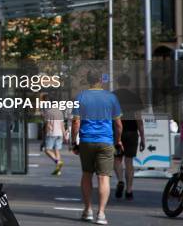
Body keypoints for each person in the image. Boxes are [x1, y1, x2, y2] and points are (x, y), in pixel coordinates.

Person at [71, 70, 123, 225]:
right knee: (103, 177)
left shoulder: (81, 97)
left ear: (88, 80)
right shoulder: (111, 97)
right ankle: (101, 214)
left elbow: (75, 123)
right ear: (101, 80)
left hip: (86, 140)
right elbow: (118, 124)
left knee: (87, 174)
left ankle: (87, 210)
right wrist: (118, 141)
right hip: (106, 141)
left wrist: (74, 142)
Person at [113, 74, 145, 201]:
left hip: (116, 131)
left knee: (117, 159)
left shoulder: (112, 96)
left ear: (118, 82)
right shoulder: (135, 97)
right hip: (132, 132)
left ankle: (120, 180)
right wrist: (142, 137)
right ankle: (129, 190)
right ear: (129, 83)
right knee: (129, 161)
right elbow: (139, 119)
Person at [42, 93, 68, 176]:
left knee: (47, 150)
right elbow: (62, 125)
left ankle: (58, 161)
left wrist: (45, 133)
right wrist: (64, 135)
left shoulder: (48, 112)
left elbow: (48, 125)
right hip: (59, 133)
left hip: (51, 133)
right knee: (57, 150)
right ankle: (58, 170)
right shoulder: (60, 112)